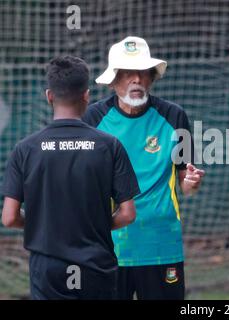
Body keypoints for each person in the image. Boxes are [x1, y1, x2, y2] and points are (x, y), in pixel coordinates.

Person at [1, 55, 139, 299]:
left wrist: (44, 226)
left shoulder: (25, 149)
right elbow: (128, 213)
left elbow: (10, 218)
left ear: (49, 96)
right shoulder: (110, 146)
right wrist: (91, 226)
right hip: (97, 265)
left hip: (47, 269)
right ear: (86, 95)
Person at [82, 36, 205, 300]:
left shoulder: (174, 116)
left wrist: (192, 182)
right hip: (109, 245)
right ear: (114, 80)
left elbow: (186, 183)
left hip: (161, 242)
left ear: (152, 78)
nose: (135, 79)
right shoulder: (93, 119)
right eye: (127, 73)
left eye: (142, 73)